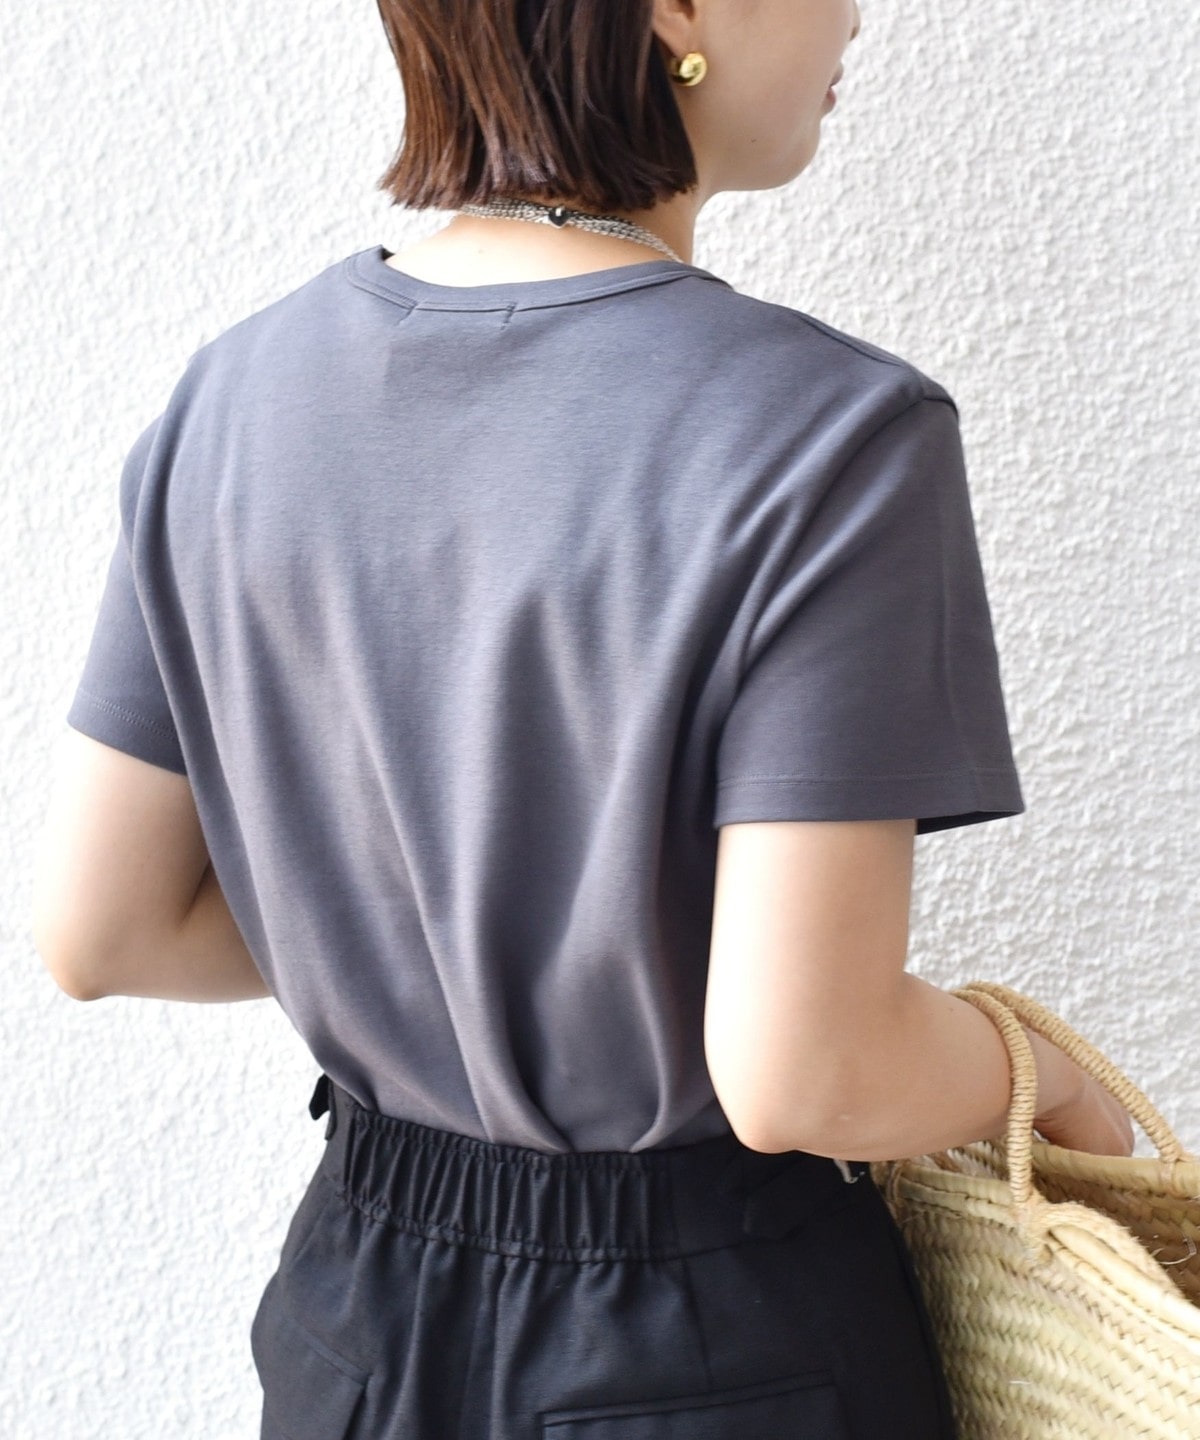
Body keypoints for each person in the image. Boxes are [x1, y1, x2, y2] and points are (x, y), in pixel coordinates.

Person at [31, 0, 1136, 1435]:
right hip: (711, 1352)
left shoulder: (227, 399)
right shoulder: (832, 436)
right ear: (674, 9)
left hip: (354, 1325)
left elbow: (105, 931)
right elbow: (810, 1069)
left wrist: (432, 934)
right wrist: (1044, 1078)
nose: (859, 12)